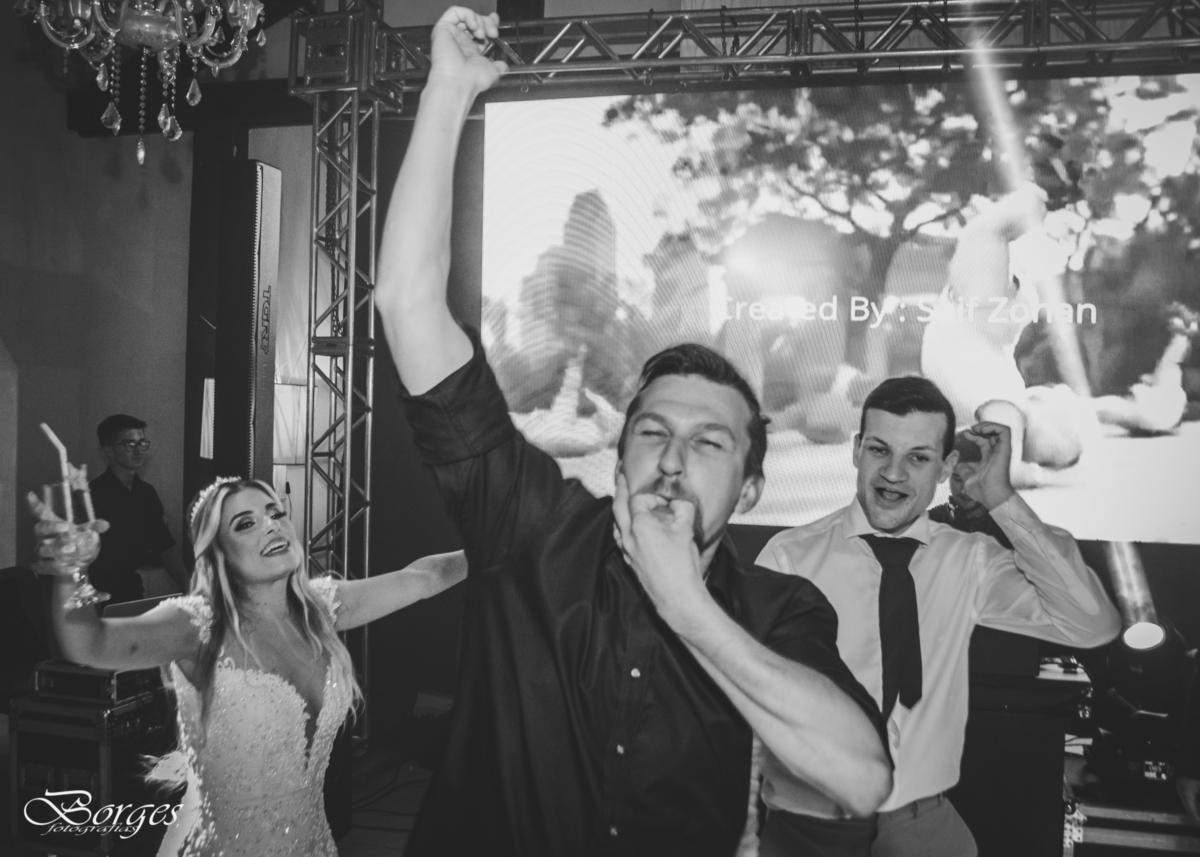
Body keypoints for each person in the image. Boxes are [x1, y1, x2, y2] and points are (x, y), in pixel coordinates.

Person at [374, 8, 893, 856]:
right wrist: (450, 90)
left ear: (751, 488)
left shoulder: (780, 609)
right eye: (653, 431)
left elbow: (862, 777)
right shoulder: (529, 531)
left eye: (711, 442)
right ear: (618, 461)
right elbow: (407, 302)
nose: (674, 457)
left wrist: (687, 605)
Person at [753, 375, 1121, 857]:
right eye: (879, 450)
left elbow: (1090, 622)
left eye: (918, 457)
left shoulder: (969, 559)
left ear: (946, 467)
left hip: (921, 825)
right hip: (809, 824)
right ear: (857, 450)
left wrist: (1001, 497)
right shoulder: (788, 557)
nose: (893, 473)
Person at [31, 477, 468, 857]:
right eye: (246, 524)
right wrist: (70, 569)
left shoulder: (319, 610)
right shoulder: (196, 625)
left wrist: (498, 544)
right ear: (218, 553)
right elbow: (88, 642)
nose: (271, 525)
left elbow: (423, 578)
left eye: (275, 513)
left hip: (311, 841)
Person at [87, 414, 189, 601]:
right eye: (129, 444)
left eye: (141, 443)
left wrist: (187, 583)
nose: (138, 450)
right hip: (95, 593)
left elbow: (164, 544)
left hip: (131, 591)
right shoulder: (92, 496)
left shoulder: (146, 493)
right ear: (109, 449)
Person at [926, 433, 1012, 549]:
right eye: (957, 478)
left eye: (973, 478)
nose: (964, 489)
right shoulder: (931, 521)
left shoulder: (1011, 529)